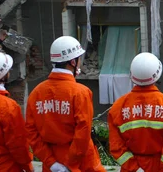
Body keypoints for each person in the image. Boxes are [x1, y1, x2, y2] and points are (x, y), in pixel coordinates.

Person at [26, 36, 105, 172]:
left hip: (52, 162)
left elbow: (32, 133)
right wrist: (70, 164)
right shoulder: (80, 92)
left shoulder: (36, 93)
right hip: (82, 162)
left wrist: (52, 163)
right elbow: (83, 133)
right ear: (73, 62)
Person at [107, 52, 163, 172]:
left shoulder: (118, 107)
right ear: (157, 75)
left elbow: (116, 147)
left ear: (132, 75)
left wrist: (135, 169)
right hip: (160, 167)